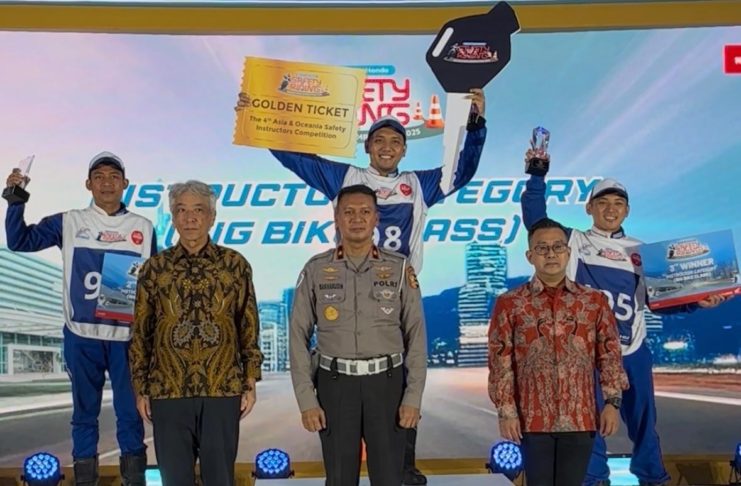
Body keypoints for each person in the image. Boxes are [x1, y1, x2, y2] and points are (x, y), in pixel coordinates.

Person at [238, 88, 486, 484]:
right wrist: (259, 120)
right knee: (342, 464)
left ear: (404, 150)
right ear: (367, 146)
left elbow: (462, 172)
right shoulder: (347, 178)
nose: (387, 147)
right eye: (379, 140)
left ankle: (404, 472)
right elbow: (297, 160)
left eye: (395, 141)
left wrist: (475, 125)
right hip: (349, 290)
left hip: (395, 292)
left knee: (398, 438)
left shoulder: (418, 184)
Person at [521, 157, 729, 486]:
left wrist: (695, 302)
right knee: (590, 424)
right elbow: (535, 219)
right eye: (603, 202)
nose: (611, 209)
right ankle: (594, 481)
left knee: (645, 424)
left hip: (632, 352)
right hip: (587, 354)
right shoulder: (574, 241)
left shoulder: (644, 252)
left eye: (618, 203)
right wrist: (536, 175)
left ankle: (653, 478)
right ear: (589, 208)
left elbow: (659, 302)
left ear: (627, 211)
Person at [4, 152, 156, 486]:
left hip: (126, 340)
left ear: (125, 184)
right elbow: (19, 241)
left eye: (113, 177)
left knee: (130, 415)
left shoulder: (143, 228)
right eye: (99, 177)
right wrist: (15, 200)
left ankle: (135, 481)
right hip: (81, 336)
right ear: (88, 184)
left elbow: (155, 287)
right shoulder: (69, 221)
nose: (106, 183)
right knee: (84, 416)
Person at [290, 184, 427, 486]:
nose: (357, 219)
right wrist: (306, 400)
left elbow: (416, 335)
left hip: (387, 385)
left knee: (390, 478)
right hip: (335, 385)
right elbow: (298, 335)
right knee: (339, 478)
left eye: (365, 212)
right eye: (348, 212)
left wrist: (413, 397)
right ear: (336, 218)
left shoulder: (399, 268)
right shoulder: (316, 269)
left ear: (376, 218)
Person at [129, 180, 263, 486]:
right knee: (175, 479)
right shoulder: (154, 269)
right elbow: (141, 333)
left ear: (212, 217)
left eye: (198, 210)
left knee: (220, 479)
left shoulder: (235, 265)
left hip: (222, 388)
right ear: (173, 218)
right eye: (182, 210)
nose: (190, 218)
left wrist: (250, 380)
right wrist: (141, 388)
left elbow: (248, 325)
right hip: (168, 389)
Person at [488, 217, 628, 486]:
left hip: (580, 419)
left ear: (568, 252)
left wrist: (612, 403)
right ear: (530, 256)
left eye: (557, 247)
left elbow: (609, 354)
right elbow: (500, 361)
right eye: (542, 248)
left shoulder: (593, 301)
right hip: (531, 420)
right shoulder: (510, 303)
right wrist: (506, 412)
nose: (550, 254)